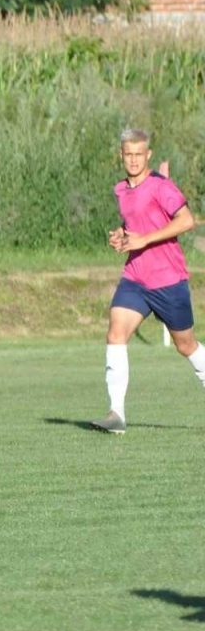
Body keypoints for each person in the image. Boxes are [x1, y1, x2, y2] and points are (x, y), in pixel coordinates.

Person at [93, 128, 204, 434]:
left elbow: (186, 220)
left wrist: (145, 240)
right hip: (135, 278)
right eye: (128, 154)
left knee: (186, 346)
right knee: (116, 333)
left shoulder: (160, 186)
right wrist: (121, 235)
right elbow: (134, 224)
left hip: (168, 279)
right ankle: (116, 414)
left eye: (139, 154)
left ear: (148, 155)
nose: (133, 160)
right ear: (121, 155)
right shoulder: (121, 190)